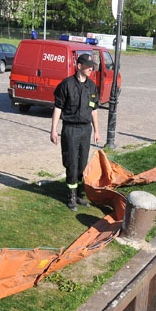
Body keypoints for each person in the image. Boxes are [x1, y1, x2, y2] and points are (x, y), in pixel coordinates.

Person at [50, 53, 100, 211]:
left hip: (86, 129)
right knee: (71, 162)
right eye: (88, 66)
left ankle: (79, 194)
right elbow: (58, 108)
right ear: (79, 66)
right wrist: (53, 130)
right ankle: (71, 196)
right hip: (70, 129)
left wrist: (97, 131)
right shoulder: (66, 85)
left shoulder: (92, 86)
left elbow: (94, 110)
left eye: (92, 67)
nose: (91, 69)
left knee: (82, 163)